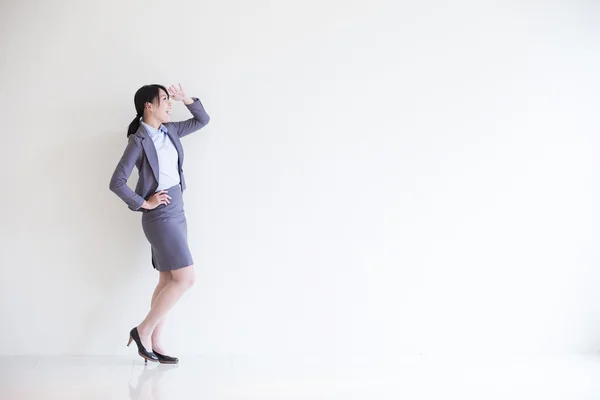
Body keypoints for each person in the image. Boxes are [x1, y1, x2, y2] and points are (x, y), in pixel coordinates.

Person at [109, 83, 210, 363]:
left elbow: (202, 119)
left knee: (168, 278)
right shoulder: (138, 141)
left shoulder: (171, 131)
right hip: (159, 215)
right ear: (148, 106)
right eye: (165, 99)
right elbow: (116, 182)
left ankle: (154, 340)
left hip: (178, 209)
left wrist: (186, 98)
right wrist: (145, 202)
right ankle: (142, 330)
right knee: (186, 278)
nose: (170, 104)